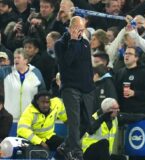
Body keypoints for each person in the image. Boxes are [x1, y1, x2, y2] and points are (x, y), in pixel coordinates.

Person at [55, 16, 95, 160]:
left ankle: (66, 146)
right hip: (70, 87)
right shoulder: (60, 44)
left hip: (87, 88)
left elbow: (88, 66)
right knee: (74, 120)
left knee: (87, 122)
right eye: (78, 29)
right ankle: (77, 152)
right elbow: (66, 62)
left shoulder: (85, 42)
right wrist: (72, 41)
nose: (81, 32)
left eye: (82, 29)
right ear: (71, 28)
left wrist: (91, 85)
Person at [17, 90, 67, 159]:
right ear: (37, 102)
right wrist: (40, 142)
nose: (45, 105)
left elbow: (66, 118)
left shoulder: (56, 104)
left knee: (65, 146)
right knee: (41, 152)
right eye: (43, 102)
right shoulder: (29, 111)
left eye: (47, 102)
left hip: (48, 137)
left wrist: (73, 127)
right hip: (30, 140)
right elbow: (22, 130)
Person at [0, 48, 46, 120]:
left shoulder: (36, 73)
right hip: (10, 118)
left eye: (19, 57)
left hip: (30, 117)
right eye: (15, 57)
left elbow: (42, 92)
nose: (16, 60)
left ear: (26, 60)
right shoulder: (6, 71)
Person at [114, 46, 145, 114]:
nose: (126, 55)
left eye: (130, 54)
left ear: (136, 58)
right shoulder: (119, 72)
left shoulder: (143, 73)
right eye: (125, 53)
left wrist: (134, 93)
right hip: (122, 113)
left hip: (139, 113)